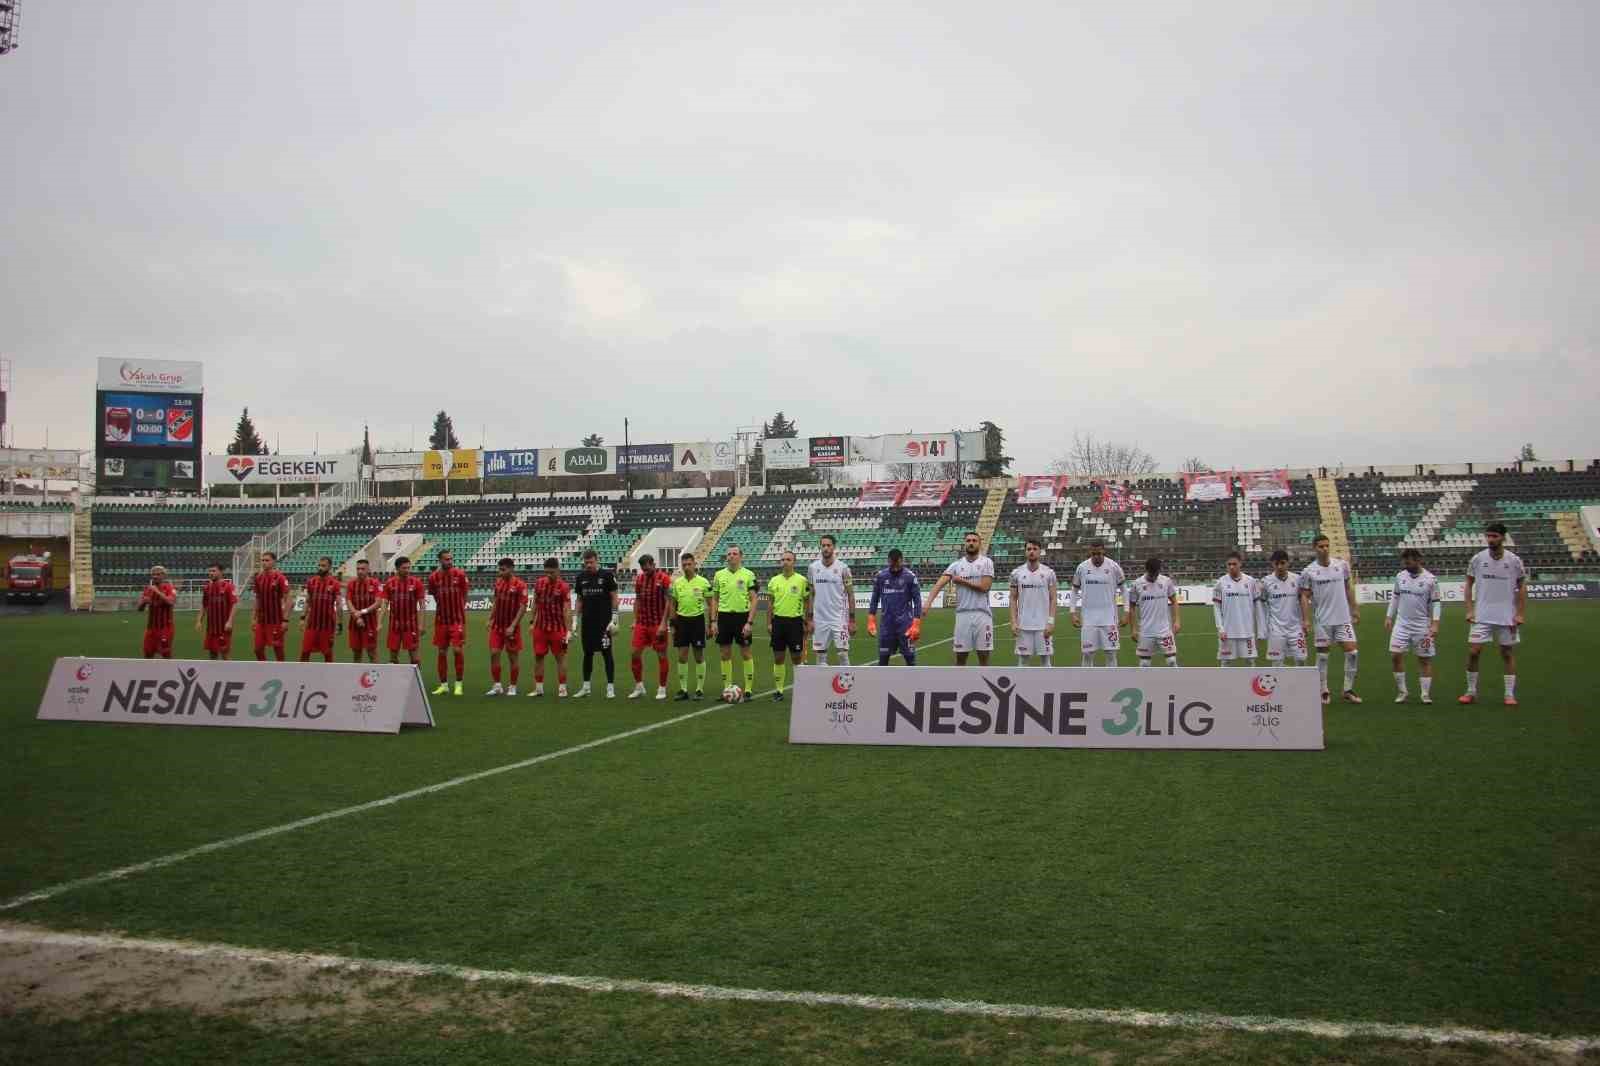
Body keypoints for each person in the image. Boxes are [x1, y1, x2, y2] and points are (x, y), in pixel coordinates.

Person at [1460, 521, 1526, 706]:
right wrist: (1469, 609)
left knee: (1506, 653)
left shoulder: (1514, 561)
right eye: (1488, 536)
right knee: (1474, 651)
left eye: (1494, 536)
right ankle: (1470, 691)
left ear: (1503, 537)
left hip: (1507, 615)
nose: (1490, 539)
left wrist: (1520, 613)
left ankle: (1509, 694)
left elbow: (1521, 587)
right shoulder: (1478, 559)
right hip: (1482, 615)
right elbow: (1468, 584)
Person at [1298, 534, 1361, 703]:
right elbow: (1304, 596)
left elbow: (1348, 588)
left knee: (1353, 653)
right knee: (1323, 656)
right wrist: (1306, 619)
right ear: (1314, 548)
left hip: (1343, 618)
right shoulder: (1308, 572)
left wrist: (1354, 608)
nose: (1325, 549)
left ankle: (1348, 689)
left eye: (1327, 545)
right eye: (1321, 546)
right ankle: (1323, 689)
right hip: (1322, 620)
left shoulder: (1342, 566)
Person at [923, 531, 995, 666]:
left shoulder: (986, 562)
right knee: (960, 657)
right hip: (963, 615)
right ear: (964, 544)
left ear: (980, 544)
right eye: (968, 541)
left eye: (974, 540)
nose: (971, 543)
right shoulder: (956, 565)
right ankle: (961, 685)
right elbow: (939, 584)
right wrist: (928, 602)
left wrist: (961, 581)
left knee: (984, 656)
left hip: (982, 614)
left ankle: (985, 685)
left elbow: (985, 587)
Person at [1386, 547, 1441, 704]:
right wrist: (1389, 616)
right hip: (1401, 625)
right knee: (1395, 656)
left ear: (1418, 561)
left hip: (1422, 626)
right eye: (1404, 562)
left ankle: (1425, 694)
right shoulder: (1400, 576)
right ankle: (1402, 692)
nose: (1406, 565)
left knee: (1424, 659)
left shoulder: (1431, 579)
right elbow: (1395, 597)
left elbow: (1436, 603)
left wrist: (1435, 624)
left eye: (1408, 562)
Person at [709, 545, 757, 700]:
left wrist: (749, 622)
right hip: (723, 617)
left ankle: (748, 690)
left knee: (745, 653)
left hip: (742, 617)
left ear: (741, 556)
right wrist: (713, 621)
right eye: (728, 554)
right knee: (724, 654)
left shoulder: (749, 574)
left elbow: (754, 599)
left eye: (734, 554)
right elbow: (715, 599)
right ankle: (727, 690)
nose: (731, 556)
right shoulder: (718, 575)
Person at [574, 550, 619, 698]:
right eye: (586, 562)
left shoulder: (606, 575)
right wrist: (575, 619)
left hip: (604, 624)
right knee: (587, 653)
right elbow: (579, 599)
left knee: (607, 653)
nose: (588, 565)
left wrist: (615, 617)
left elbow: (614, 596)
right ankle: (586, 687)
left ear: (597, 560)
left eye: (591, 562)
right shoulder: (581, 577)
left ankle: (610, 687)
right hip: (587, 622)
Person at [765, 550, 810, 699]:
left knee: (797, 658)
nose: (785, 562)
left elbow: (807, 601)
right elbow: (770, 604)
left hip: (795, 622)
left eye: (788, 559)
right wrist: (769, 623)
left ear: (794, 562)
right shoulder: (774, 581)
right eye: (783, 559)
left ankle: (802, 689)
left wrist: (807, 620)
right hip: (778, 622)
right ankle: (779, 690)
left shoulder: (802, 580)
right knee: (778, 657)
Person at [1071, 539, 1124, 667]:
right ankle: (1087, 684)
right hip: (1089, 620)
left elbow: (1124, 590)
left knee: (1111, 654)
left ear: (1103, 551)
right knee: (1088, 654)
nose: (1096, 556)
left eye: (1099, 553)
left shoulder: (1113, 567)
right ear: (1090, 552)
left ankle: (1112, 684)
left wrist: (1127, 611)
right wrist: (1073, 612)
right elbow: (1074, 590)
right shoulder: (1082, 567)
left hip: (1109, 619)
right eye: (1094, 554)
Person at [627, 554, 673, 700]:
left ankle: (662, 687)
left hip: (657, 624)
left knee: (661, 655)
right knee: (634, 653)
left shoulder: (664, 578)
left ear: (653, 564)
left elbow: (668, 602)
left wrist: (664, 623)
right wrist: (635, 620)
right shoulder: (640, 579)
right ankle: (639, 686)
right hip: (642, 623)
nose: (645, 571)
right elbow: (637, 600)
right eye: (643, 569)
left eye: (647, 567)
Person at [666, 552, 712, 700]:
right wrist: (672, 625)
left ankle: (699, 689)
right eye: (684, 564)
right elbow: (672, 604)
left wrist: (711, 623)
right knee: (682, 656)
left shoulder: (703, 582)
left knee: (698, 656)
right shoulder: (677, 583)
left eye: (689, 564)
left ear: (694, 564)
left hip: (697, 621)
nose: (686, 567)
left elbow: (711, 605)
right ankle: (684, 689)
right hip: (681, 622)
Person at [807, 534, 855, 665]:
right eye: (823, 545)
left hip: (839, 618)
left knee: (843, 654)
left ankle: (847, 684)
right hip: (819, 619)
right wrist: (810, 619)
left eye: (829, 545)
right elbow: (811, 594)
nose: (826, 548)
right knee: (821, 656)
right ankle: (822, 684)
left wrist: (852, 620)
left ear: (834, 547)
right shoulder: (813, 568)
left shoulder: (843, 568)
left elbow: (850, 594)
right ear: (820, 547)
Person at [427, 548, 470, 696]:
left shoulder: (460, 574)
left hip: (456, 620)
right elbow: (433, 593)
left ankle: (458, 684)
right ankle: (444, 685)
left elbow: (465, 594)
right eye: (446, 559)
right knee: (441, 652)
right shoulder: (433, 577)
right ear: (440, 560)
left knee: (457, 650)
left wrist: (459, 609)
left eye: (451, 559)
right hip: (441, 621)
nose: (449, 561)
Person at [869, 548, 923, 666]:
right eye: (892, 563)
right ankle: (882, 684)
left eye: (897, 563)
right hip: (886, 626)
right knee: (883, 659)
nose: (895, 567)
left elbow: (917, 601)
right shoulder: (881, 577)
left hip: (905, 626)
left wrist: (916, 623)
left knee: (910, 659)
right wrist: (871, 619)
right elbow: (874, 598)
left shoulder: (910, 577)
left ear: (902, 561)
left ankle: (914, 683)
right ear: (888, 561)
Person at [1008, 538, 1057, 666]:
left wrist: (1051, 622)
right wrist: (1013, 622)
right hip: (1023, 626)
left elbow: (1053, 598)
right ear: (1025, 552)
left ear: (1040, 552)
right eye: (1029, 549)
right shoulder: (1016, 573)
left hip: (1043, 625)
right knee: (1023, 660)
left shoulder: (1049, 573)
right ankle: (1021, 686)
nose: (1032, 552)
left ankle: (1048, 687)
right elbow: (1013, 599)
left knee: (1045, 660)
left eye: (1035, 549)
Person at [1257, 550, 1309, 668]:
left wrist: (1306, 620)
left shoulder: (1297, 579)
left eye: (1282, 563)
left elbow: (1303, 600)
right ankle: (1281, 685)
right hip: (1276, 630)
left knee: (1301, 660)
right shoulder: (1265, 582)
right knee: (1276, 663)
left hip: (1296, 628)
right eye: (1276, 564)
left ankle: (1298, 685)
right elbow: (1262, 606)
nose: (1279, 566)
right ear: (1272, 564)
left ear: (1288, 563)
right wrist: (1263, 628)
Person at [1125, 557, 1180, 667]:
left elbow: (1174, 601)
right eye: (1152, 574)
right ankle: (1144, 684)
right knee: (1144, 663)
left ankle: (1176, 683)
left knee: (1172, 661)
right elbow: (1131, 607)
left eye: (1156, 573)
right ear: (1147, 570)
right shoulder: (1137, 584)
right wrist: (1133, 629)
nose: (1154, 576)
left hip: (1164, 630)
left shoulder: (1166, 581)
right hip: (1146, 631)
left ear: (1159, 571)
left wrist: (1177, 621)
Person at [529, 557, 572, 698]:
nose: (548, 575)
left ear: (558, 571)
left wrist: (568, 630)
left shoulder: (564, 587)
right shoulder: (539, 584)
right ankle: (539, 688)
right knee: (538, 656)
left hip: (557, 629)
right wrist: (531, 622)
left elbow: (566, 609)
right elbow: (535, 603)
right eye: (546, 572)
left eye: (551, 572)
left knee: (560, 658)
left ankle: (562, 688)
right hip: (540, 628)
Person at [485, 557, 527, 696]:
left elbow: (522, 607)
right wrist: (490, 618)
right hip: (497, 626)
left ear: (511, 569)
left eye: (503, 569)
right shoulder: (498, 583)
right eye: (500, 569)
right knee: (494, 653)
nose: (500, 572)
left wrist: (513, 626)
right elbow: (496, 601)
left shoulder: (520, 585)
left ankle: (513, 686)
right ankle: (497, 685)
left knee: (512, 657)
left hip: (511, 628)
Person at [1213, 551, 1258, 666]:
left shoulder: (1251, 581)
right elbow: (1217, 608)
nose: (1232, 567)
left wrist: (1260, 629)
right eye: (1229, 564)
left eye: (1234, 564)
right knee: (1225, 663)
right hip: (1228, 633)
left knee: (1250, 662)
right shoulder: (1220, 583)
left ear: (1240, 564)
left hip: (1247, 632)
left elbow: (1257, 606)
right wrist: (1220, 628)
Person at [382, 555, 426, 666]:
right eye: (404, 568)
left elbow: (422, 605)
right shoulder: (389, 583)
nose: (407, 570)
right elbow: (384, 604)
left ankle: (416, 681)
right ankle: (394, 680)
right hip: (394, 625)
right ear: (397, 569)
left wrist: (420, 625)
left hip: (411, 625)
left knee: (415, 658)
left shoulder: (417, 583)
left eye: (408, 567)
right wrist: (379, 622)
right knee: (393, 658)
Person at [250, 551, 292, 662]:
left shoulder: (280, 577)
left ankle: (282, 671)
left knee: (277, 649)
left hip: (276, 621)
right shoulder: (258, 578)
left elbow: (289, 599)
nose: (264, 563)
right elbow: (257, 598)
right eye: (263, 560)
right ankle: (265, 670)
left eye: (267, 560)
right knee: (257, 649)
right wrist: (253, 618)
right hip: (261, 621)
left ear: (273, 562)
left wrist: (285, 620)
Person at [299, 557, 342, 663]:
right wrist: (302, 618)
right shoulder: (311, 582)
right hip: (312, 624)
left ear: (329, 567)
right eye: (319, 565)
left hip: (327, 625)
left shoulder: (334, 583)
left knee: (327, 653)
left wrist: (339, 624)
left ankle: (329, 675)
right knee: (305, 651)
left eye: (323, 566)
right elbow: (308, 601)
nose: (320, 568)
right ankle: (301, 675)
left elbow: (339, 604)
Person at [344, 558, 383, 664]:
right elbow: (348, 601)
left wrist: (362, 612)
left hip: (370, 623)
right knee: (356, 653)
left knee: (372, 652)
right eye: (358, 569)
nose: (360, 571)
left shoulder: (375, 583)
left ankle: (376, 678)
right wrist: (357, 616)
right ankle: (357, 678)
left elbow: (378, 602)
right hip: (354, 622)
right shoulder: (351, 584)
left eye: (362, 569)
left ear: (368, 570)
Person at [196, 562, 238, 660]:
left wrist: (230, 621)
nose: (211, 573)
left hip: (224, 627)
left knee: (225, 654)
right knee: (212, 654)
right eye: (210, 571)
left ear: (221, 572)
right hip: (211, 628)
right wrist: (199, 620)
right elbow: (204, 605)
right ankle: (214, 674)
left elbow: (234, 604)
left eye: (214, 571)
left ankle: (231, 674)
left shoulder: (228, 586)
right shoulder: (207, 588)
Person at [137, 565, 177, 659]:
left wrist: (157, 592)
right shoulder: (148, 589)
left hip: (165, 628)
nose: (155, 576)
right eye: (153, 574)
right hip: (151, 628)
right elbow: (139, 609)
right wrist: (143, 602)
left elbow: (171, 602)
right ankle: (149, 673)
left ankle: (169, 672)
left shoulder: (169, 588)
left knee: (166, 654)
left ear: (164, 576)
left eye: (158, 574)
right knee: (147, 654)